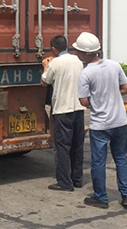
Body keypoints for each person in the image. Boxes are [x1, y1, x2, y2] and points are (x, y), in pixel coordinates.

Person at [74, 31, 127, 209]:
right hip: (120, 122)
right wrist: (114, 94)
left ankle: (101, 197)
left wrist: (96, 102)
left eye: (78, 51)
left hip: (100, 125)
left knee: (98, 162)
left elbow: (83, 101)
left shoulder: (86, 74)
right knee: (121, 158)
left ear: (85, 53)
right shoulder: (114, 65)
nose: (77, 54)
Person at [41, 35, 86, 191]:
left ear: (53, 48)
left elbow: (45, 81)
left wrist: (45, 66)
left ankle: (64, 182)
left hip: (63, 110)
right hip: (78, 108)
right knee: (77, 145)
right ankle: (77, 178)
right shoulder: (78, 61)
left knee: (62, 147)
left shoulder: (55, 63)